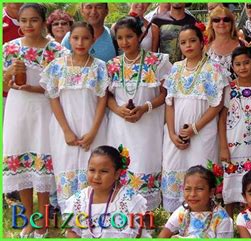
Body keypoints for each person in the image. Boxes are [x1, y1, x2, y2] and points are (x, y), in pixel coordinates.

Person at [2, 4, 65, 238]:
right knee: (22, 163)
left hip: (44, 110)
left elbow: (59, 87)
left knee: (42, 166)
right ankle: (29, 219)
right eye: (24, 20)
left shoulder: (56, 51)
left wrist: (33, 87)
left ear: (43, 21)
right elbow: (3, 85)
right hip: (17, 110)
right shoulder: (8, 49)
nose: (28, 25)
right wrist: (8, 75)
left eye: (34, 20)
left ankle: (44, 221)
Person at [39, 22, 109, 211]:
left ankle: (93, 215)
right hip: (64, 128)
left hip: (93, 126)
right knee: (66, 168)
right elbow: (53, 98)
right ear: (69, 40)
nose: (80, 42)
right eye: (76, 38)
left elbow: (103, 100)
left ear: (93, 40)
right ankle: (71, 217)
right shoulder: (56, 66)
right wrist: (66, 130)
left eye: (86, 38)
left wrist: (93, 131)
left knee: (93, 169)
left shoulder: (100, 67)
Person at [106, 16, 171, 211]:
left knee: (145, 165)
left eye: (129, 36)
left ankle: (146, 217)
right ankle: (122, 216)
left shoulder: (156, 61)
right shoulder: (113, 65)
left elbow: (166, 93)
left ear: (140, 36)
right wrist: (119, 110)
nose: (125, 42)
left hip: (148, 125)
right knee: (122, 166)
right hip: (120, 126)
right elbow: (106, 97)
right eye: (120, 38)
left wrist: (145, 108)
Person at [161, 25, 228, 212]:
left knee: (201, 171)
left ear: (202, 42)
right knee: (173, 168)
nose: (188, 45)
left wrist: (194, 129)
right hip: (176, 134)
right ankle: (176, 219)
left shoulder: (214, 69)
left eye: (192, 40)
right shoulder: (176, 68)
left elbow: (217, 105)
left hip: (203, 132)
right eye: (183, 42)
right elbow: (169, 102)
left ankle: (205, 219)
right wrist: (172, 133)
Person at [218, 47, 251, 215]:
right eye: (237, 64)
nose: (242, 67)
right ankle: (227, 223)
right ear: (232, 67)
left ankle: (250, 222)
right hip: (233, 145)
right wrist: (223, 147)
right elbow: (222, 118)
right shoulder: (229, 88)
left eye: (246, 63)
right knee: (231, 186)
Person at [63, 145, 147, 238]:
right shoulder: (78, 201)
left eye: (103, 171)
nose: (96, 176)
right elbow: (72, 232)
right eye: (92, 170)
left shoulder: (130, 200)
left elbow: (138, 234)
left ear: (117, 174)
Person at [158, 165, 234, 238]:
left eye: (199, 189)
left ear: (211, 192)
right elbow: (163, 235)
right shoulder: (182, 212)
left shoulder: (221, 218)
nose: (192, 194)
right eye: (188, 189)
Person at [205, 6, 243, 74]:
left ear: (231, 23)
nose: (221, 22)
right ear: (211, 24)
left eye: (226, 19)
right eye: (216, 20)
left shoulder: (242, 45)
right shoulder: (204, 48)